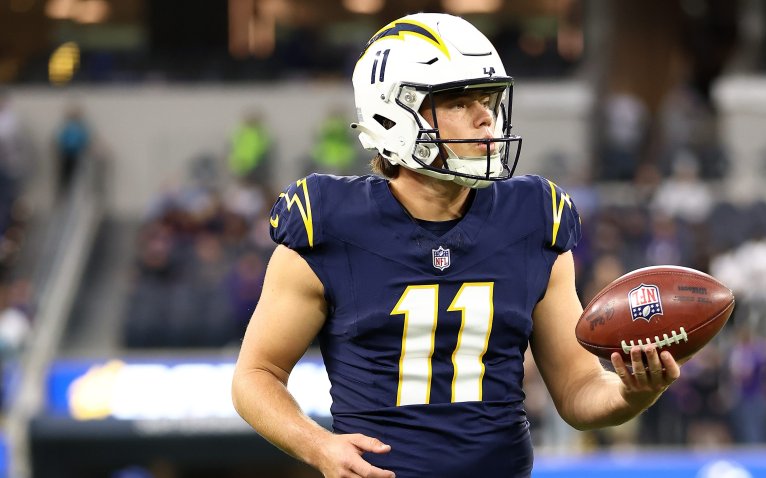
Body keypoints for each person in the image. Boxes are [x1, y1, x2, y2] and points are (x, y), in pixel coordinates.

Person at [232, 13, 681, 478]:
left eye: (487, 99)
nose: (486, 117)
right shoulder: (328, 221)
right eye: (460, 102)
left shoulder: (531, 217)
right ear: (394, 114)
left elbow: (579, 390)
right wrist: (318, 446)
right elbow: (255, 376)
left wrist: (633, 391)